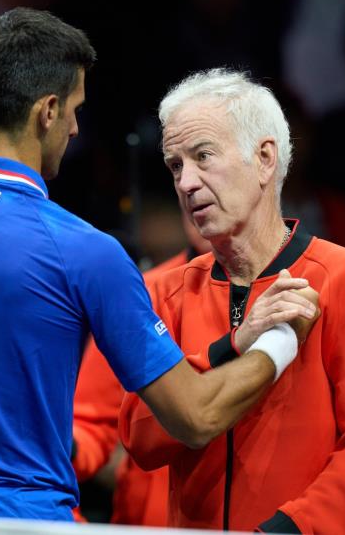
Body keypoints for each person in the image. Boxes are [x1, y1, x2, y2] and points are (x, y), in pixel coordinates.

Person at [0, 9, 318, 520]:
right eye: (75, 110)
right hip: (27, 526)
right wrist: (279, 343)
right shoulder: (87, 252)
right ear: (48, 111)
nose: (77, 128)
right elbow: (195, 415)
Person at [119, 68, 345, 534]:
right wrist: (232, 345)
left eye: (203, 156)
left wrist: (284, 531)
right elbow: (139, 437)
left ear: (264, 159)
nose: (186, 183)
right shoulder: (167, 293)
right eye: (175, 166)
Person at [72, 206, 211, 526]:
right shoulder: (141, 293)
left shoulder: (303, 287)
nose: (191, 185)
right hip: (148, 525)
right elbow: (89, 423)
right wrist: (55, 448)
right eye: (178, 177)